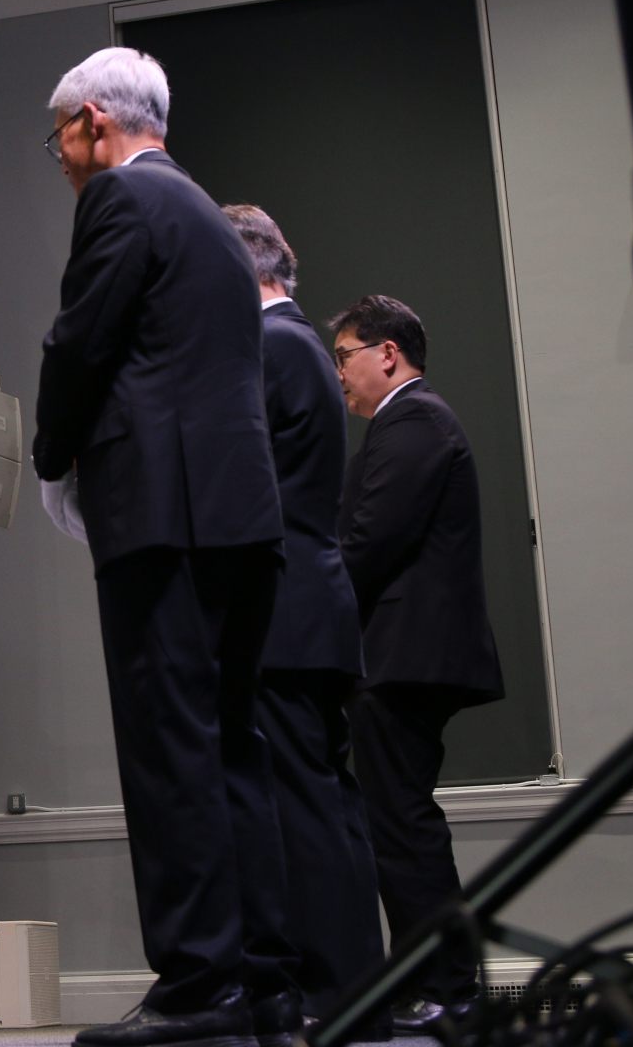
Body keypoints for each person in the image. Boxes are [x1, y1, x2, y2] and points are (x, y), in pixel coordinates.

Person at [33, 47, 298, 1047]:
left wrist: (51, 457)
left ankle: (196, 990)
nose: (61, 159)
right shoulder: (215, 223)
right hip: (241, 516)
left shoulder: (122, 198)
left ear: (95, 121)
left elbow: (81, 340)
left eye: (59, 138)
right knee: (232, 744)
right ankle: (264, 986)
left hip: (160, 512)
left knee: (167, 748)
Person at [223, 206, 386, 1037]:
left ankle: (342, 992)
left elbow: (238, 474)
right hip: (309, 608)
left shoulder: (274, 345)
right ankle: (350, 989)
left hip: (285, 609)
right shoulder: (300, 345)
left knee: (306, 811)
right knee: (321, 806)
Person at [330, 294, 505, 1032]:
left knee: (401, 823)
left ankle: (446, 987)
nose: (339, 374)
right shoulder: (411, 423)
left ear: (388, 353)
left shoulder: (414, 420)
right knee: (397, 821)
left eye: (345, 356)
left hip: (404, 657)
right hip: (403, 656)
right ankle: (428, 983)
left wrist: (309, 606)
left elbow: (370, 539)